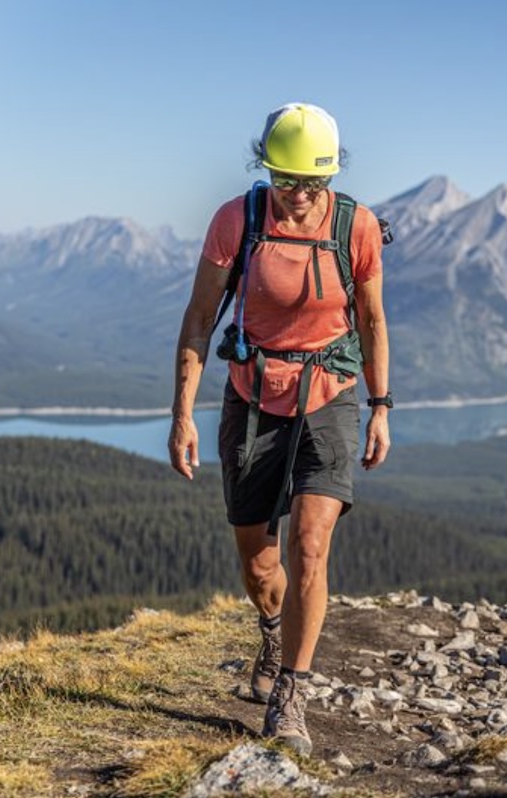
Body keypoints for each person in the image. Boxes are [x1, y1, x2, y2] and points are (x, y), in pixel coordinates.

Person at [168, 102, 391, 755]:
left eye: (312, 184)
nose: (298, 197)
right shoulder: (236, 221)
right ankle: (272, 629)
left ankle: (291, 695)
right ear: (267, 168)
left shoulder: (357, 227)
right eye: (287, 181)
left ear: (331, 177)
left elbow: (374, 322)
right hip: (252, 397)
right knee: (258, 558)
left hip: (331, 395)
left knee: (311, 545)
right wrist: (182, 413)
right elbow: (199, 318)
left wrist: (383, 405)